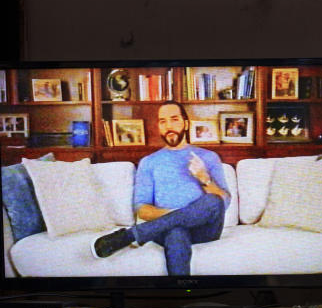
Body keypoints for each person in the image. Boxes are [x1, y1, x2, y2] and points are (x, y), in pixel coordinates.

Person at [92, 101, 230, 275]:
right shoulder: (149, 162)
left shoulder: (209, 157)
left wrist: (205, 179)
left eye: (174, 119)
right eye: (163, 121)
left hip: (205, 229)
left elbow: (222, 203)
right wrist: (178, 217)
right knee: (176, 233)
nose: (169, 126)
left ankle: (130, 236)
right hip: (165, 230)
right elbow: (142, 210)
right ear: (158, 126)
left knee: (212, 200)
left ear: (186, 124)